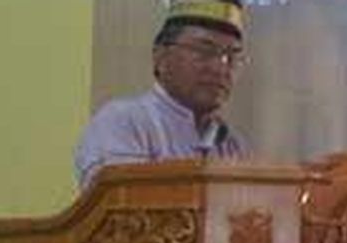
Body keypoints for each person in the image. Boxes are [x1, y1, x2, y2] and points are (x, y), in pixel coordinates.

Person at [74, 0, 248, 189]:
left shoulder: (232, 145)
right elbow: (123, 201)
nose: (220, 68)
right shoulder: (123, 122)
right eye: (204, 51)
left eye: (232, 57)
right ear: (160, 57)